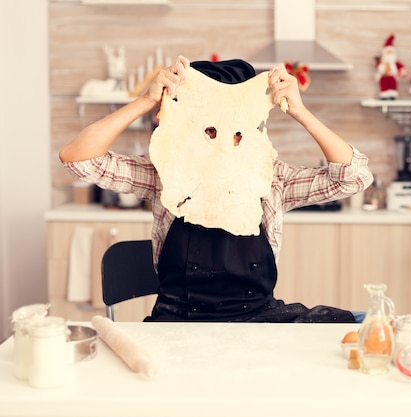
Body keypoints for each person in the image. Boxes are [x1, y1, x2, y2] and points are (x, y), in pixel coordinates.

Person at [59, 55, 374, 323]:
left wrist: (299, 111)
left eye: (237, 130)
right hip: (178, 322)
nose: (226, 140)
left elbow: (355, 176)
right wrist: (146, 101)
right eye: (210, 129)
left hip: (260, 317)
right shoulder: (165, 171)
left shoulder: (271, 177)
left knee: (364, 321)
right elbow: (78, 158)